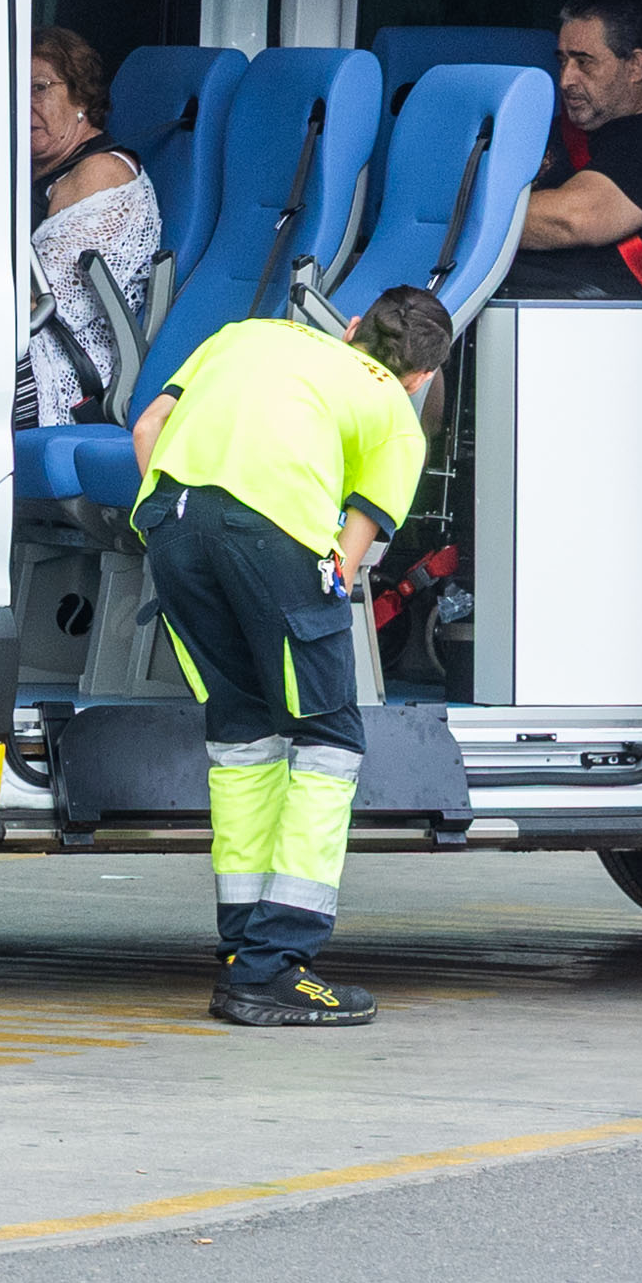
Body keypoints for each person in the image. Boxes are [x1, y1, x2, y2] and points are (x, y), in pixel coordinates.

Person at [128, 288, 449, 1025]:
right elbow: (348, 559)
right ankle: (276, 964)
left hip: (172, 522)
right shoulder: (395, 416)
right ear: (419, 377)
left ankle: (243, 946)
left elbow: (150, 425)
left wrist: (176, 532)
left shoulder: (248, 333)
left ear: (353, 324)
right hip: (273, 536)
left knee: (241, 732)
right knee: (329, 740)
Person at [508, 0, 642, 299]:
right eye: (563, 61)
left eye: (584, 62)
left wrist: (463, 219)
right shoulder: (551, 130)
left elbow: (574, 219)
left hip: (591, 327)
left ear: (635, 65)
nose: (565, 80)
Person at [23, 29, 161, 427]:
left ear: (81, 96)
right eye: (14, 90)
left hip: (58, 370)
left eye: (39, 87)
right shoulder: (26, 171)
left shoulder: (101, 175)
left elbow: (40, 306)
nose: (23, 103)